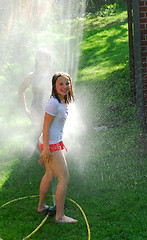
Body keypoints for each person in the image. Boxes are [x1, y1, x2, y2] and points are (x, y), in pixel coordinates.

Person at [37, 72, 78, 223]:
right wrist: (46, 149)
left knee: (49, 175)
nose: (64, 86)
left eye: (67, 83)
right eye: (60, 84)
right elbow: (46, 126)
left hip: (50, 143)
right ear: (54, 86)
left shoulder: (62, 100)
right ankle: (59, 216)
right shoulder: (53, 103)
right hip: (51, 145)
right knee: (64, 178)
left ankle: (41, 206)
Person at [19, 48, 52, 136]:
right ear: (37, 60)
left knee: (50, 135)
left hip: (50, 108)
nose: (44, 62)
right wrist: (25, 109)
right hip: (36, 109)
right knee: (39, 135)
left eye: (47, 59)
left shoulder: (53, 76)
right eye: (42, 59)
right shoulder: (31, 76)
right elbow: (21, 90)